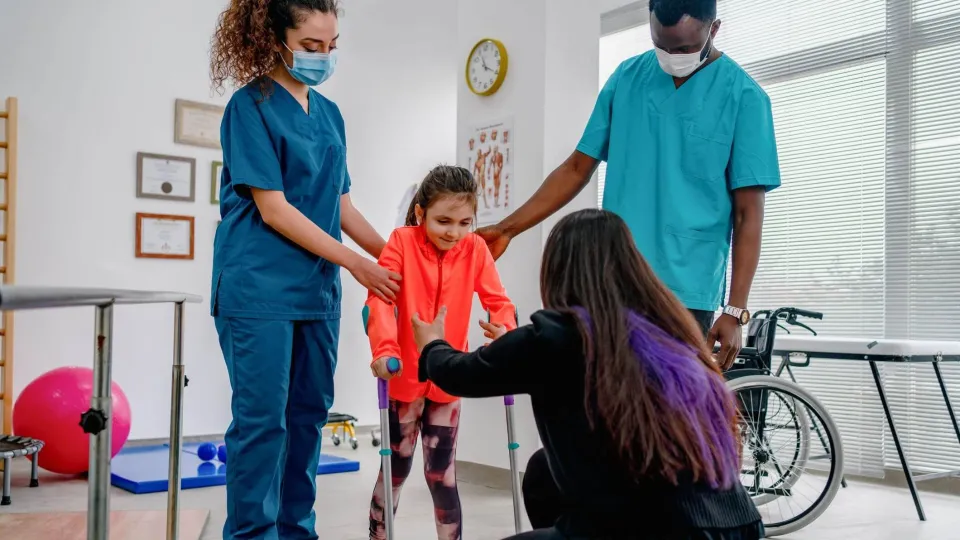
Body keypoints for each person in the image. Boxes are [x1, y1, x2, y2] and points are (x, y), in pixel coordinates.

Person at [412, 209, 763, 540]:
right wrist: (514, 346)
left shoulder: (557, 334)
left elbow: (458, 374)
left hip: (663, 530)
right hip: (737, 525)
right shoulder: (664, 331)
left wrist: (432, 344)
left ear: (558, 269)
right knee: (543, 471)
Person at [476, 0, 781, 370]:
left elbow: (749, 214)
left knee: (670, 415)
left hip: (685, 291)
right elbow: (576, 168)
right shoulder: (627, 79)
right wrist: (508, 228)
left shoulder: (745, 98)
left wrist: (735, 310)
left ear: (713, 30)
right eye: (661, 45)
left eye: (684, 48)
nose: (671, 56)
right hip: (612, 279)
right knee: (605, 405)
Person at [209, 1, 401, 538]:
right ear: (275, 39)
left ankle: (298, 531)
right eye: (311, 47)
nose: (323, 56)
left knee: (308, 419)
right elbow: (274, 208)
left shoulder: (331, 114)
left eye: (331, 46)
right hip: (258, 287)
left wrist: (397, 257)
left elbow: (339, 205)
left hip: (315, 292)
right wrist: (357, 264)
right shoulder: (250, 107)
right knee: (261, 425)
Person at [364, 165, 518, 540]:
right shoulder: (400, 242)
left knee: (442, 475)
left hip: (448, 376)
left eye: (465, 222)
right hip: (403, 376)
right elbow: (379, 301)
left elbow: (499, 301)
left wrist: (505, 333)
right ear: (421, 213)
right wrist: (384, 350)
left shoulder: (475, 248)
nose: (454, 232)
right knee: (395, 471)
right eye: (443, 221)